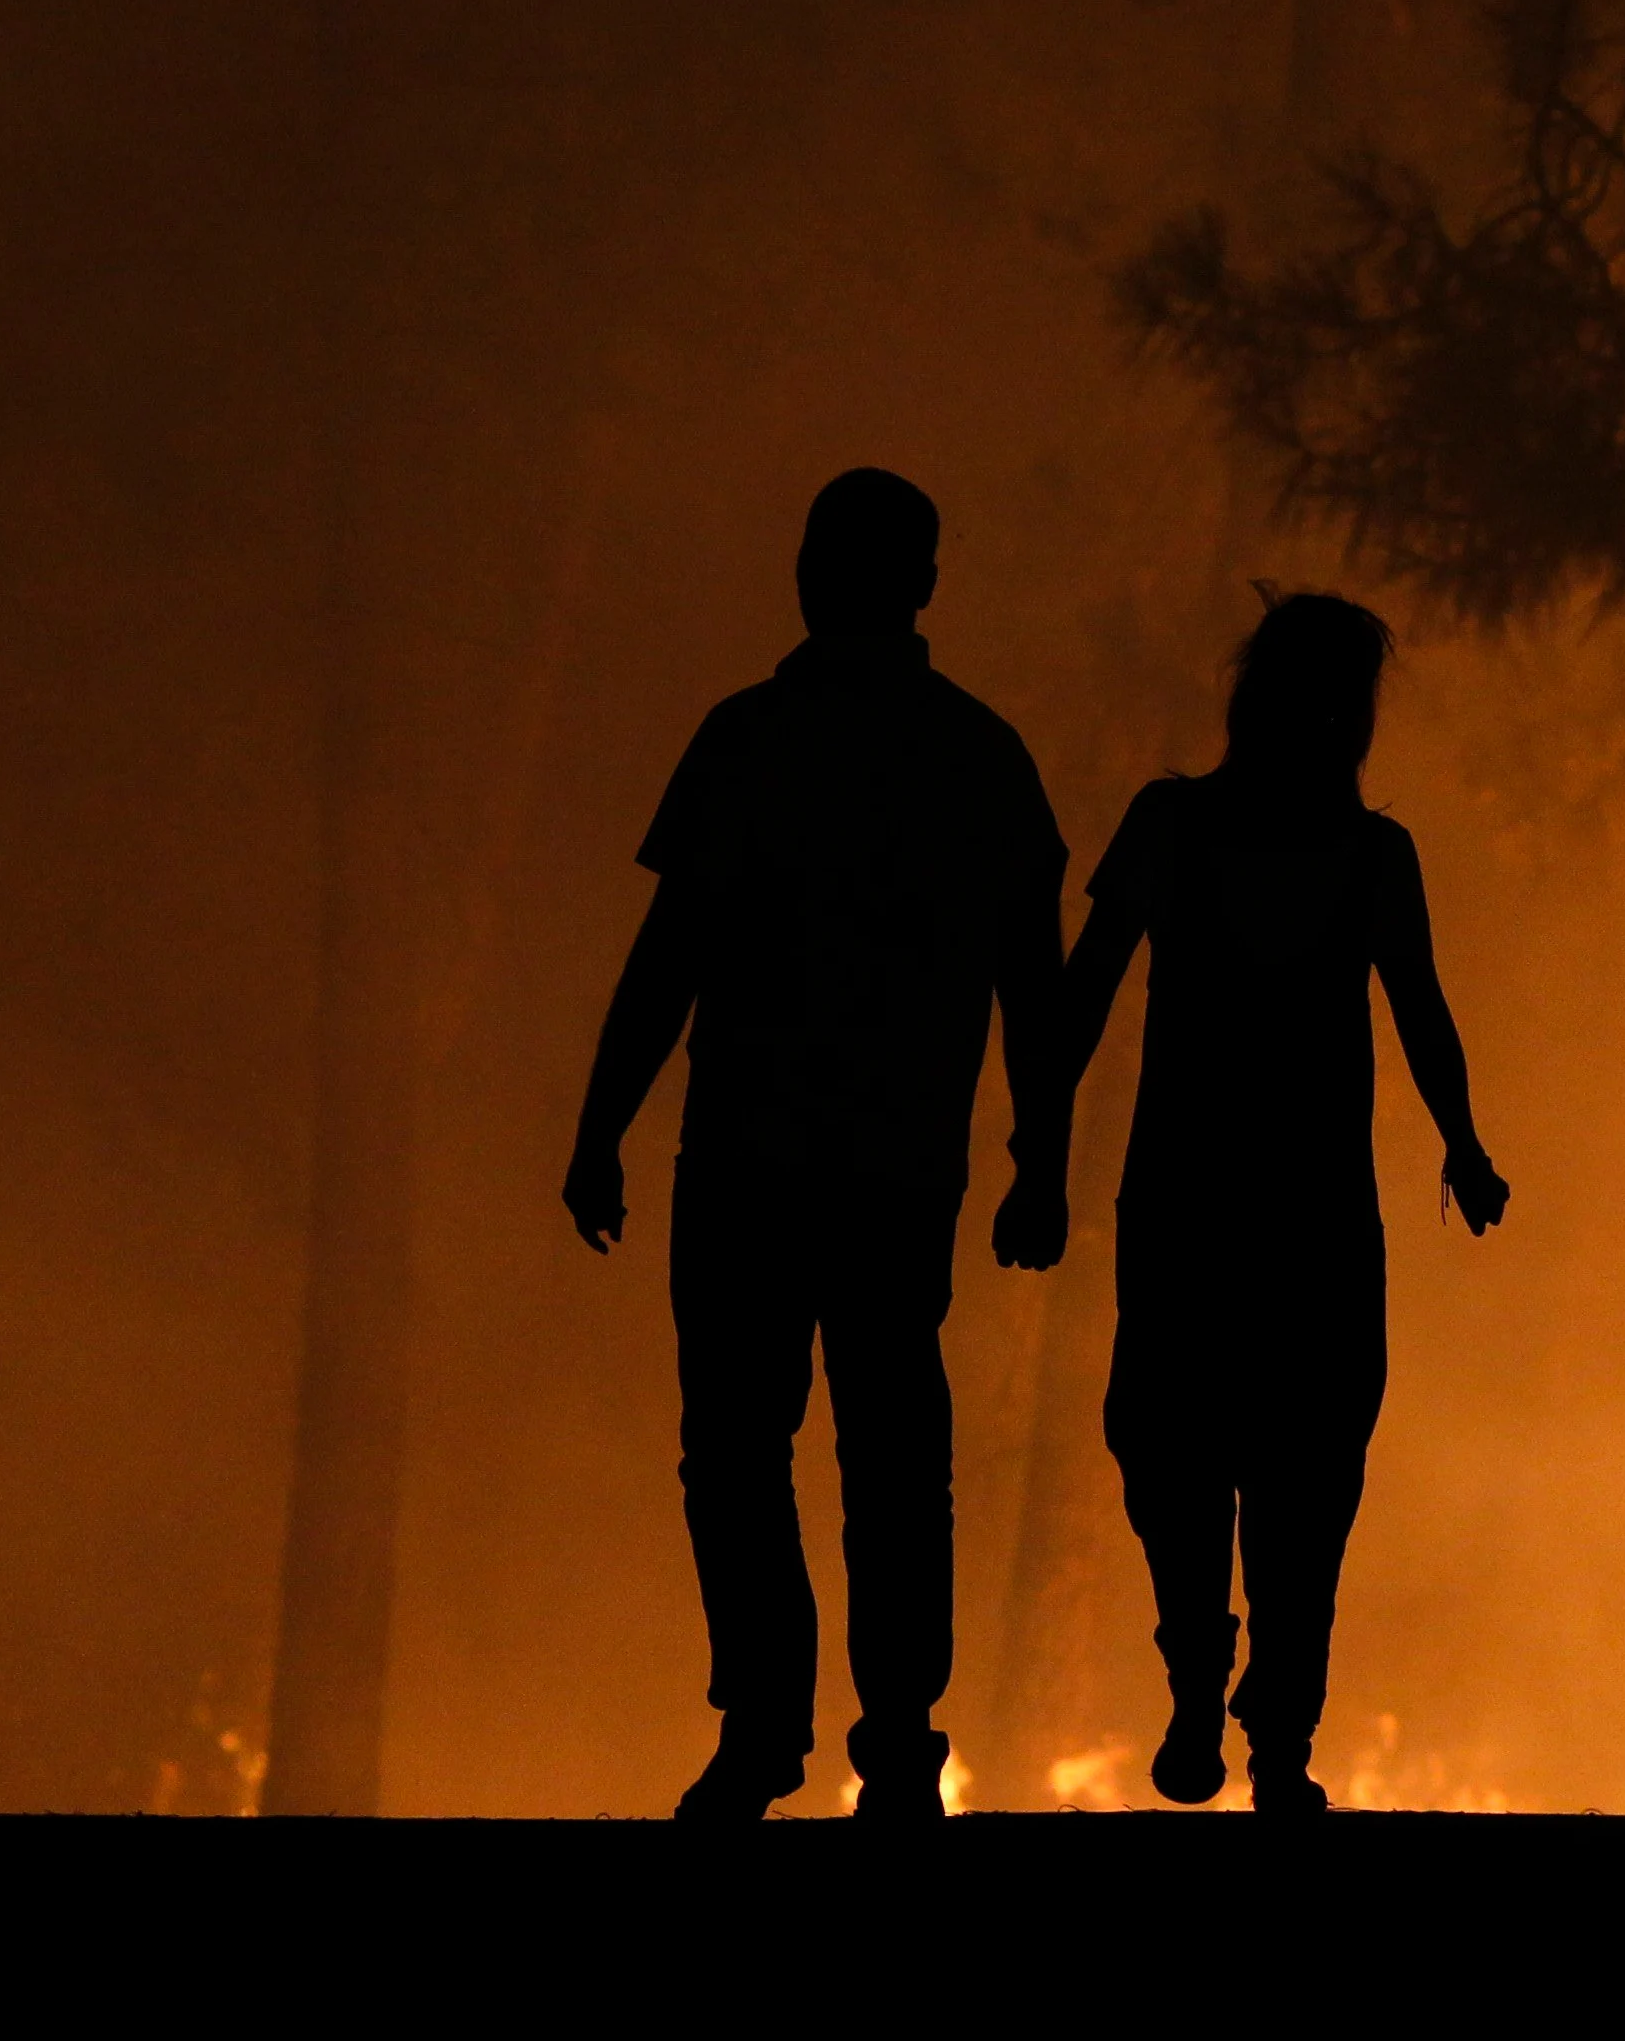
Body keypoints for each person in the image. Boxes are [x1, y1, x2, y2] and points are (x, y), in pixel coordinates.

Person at [568, 468, 1066, 1824]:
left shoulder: (748, 737)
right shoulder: (979, 753)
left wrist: (603, 1123)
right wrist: (1041, 1158)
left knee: (739, 1445)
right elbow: (1037, 982)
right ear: (925, 584)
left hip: (745, 1157)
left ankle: (767, 1725)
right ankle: (893, 1738)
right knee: (892, 1447)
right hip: (900, 1165)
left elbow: (669, 957)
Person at [998, 590, 1505, 1817]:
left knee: (1238, 1464)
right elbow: (1416, 1009)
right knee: (1284, 1473)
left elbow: (1075, 1013)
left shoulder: (1217, 835)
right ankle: (1242, 1701)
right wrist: (1462, 1142)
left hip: (1212, 1211)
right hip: (1281, 1217)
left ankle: (1254, 1711)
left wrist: (1042, 1168)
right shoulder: (1284, 845)